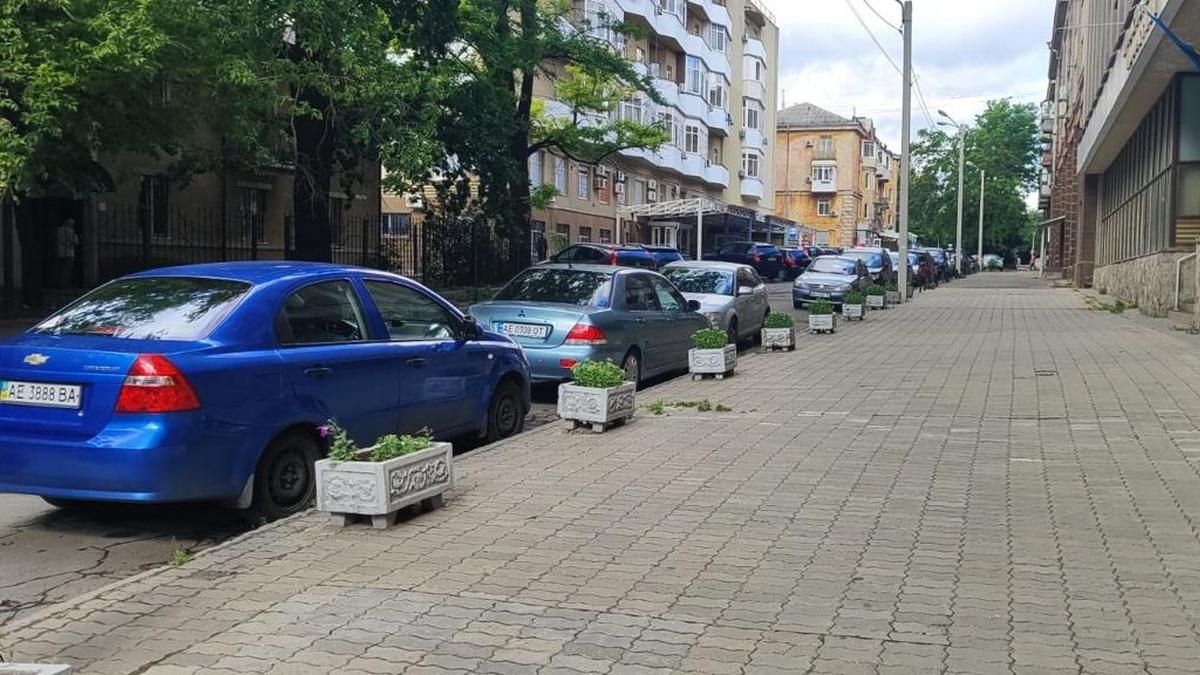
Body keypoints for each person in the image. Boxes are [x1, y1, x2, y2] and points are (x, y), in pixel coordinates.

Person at [56, 218, 79, 289]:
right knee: (67, 270)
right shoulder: (71, 231)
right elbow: (76, 242)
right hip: (69, 253)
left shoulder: (58, 230)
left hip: (60, 252)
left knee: (61, 269)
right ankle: (65, 285)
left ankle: (60, 284)